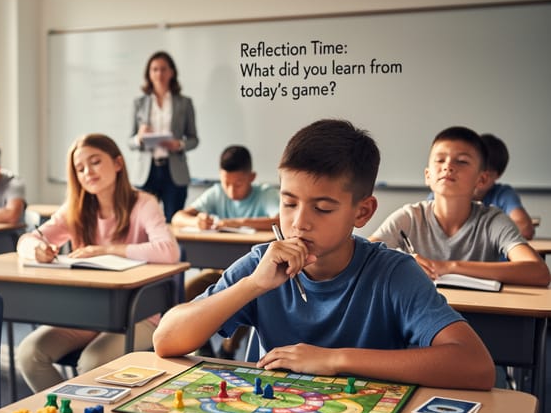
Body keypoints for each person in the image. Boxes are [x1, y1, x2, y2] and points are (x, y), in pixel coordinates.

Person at [153, 119, 495, 391]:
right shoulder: (262, 264)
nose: (299, 223)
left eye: (322, 208)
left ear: (362, 212)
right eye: (288, 203)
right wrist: (253, 286)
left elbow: (476, 367)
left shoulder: (393, 274)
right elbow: (166, 340)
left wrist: (334, 360)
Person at [15, 133, 180, 392]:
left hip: (139, 315)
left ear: (117, 164)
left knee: (93, 362)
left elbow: (169, 251)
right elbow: (27, 239)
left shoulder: (143, 203)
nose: (87, 172)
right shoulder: (76, 207)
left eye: (95, 162)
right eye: (80, 169)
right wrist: (36, 249)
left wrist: (107, 250)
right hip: (89, 311)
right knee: (28, 354)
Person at [371, 126, 549, 287]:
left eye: (462, 161)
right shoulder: (409, 217)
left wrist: (449, 266)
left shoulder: (493, 221)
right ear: (427, 175)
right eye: (440, 160)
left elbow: (538, 272)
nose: (448, 166)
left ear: (482, 179)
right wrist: (405, 262)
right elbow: (363, 254)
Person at [171, 144, 279, 358]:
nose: (231, 191)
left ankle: (229, 348)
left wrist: (236, 222)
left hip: (252, 275)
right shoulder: (216, 193)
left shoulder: (266, 193)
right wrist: (197, 220)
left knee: (244, 297)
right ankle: (202, 344)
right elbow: (177, 217)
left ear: (252, 177)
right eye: (226, 183)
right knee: (187, 290)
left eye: (238, 184)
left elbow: (278, 220)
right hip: (217, 273)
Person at [128, 51, 198, 222]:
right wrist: (140, 137)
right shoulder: (139, 103)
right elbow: (130, 140)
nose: (159, 73)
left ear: (171, 72)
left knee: (173, 221)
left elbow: (193, 139)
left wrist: (179, 144)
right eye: (155, 69)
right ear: (149, 74)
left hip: (173, 171)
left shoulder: (184, 103)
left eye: (163, 69)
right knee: (142, 222)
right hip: (147, 171)